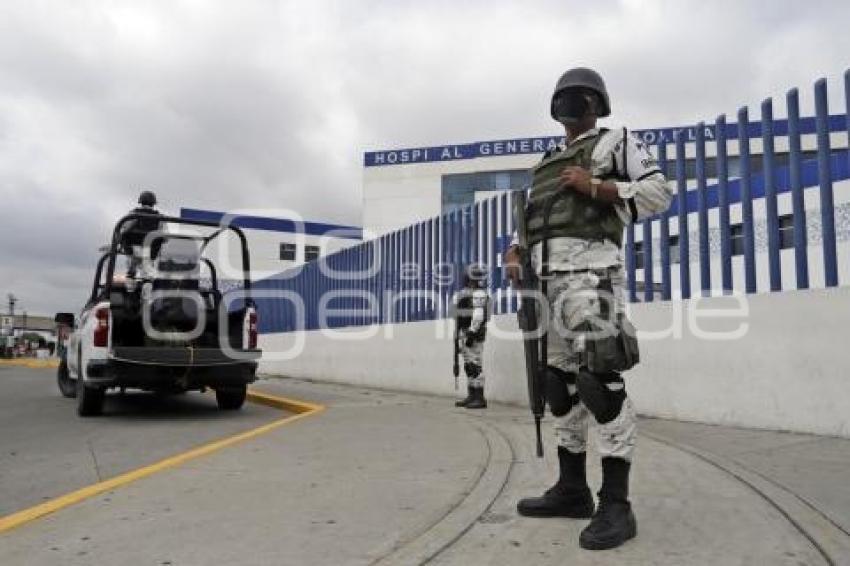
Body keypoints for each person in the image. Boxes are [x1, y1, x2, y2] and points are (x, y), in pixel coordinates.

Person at [504, 67, 672, 550]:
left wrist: (597, 188)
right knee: (559, 385)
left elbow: (659, 192)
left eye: (579, 99)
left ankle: (616, 504)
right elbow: (536, 224)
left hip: (591, 277)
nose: (569, 107)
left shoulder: (616, 142)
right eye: (562, 99)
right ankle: (572, 489)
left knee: (601, 381)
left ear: (596, 104)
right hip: (546, 283)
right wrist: (516, 252)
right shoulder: (547, 162)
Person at [453, 264, 490, 409]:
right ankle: (472, 395)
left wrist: (471, 332)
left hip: (472, 334)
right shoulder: (470, 293)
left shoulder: (479, 294)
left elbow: (478, 316)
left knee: (475, 365)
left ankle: (479, 398)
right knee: (469, 365)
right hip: (466, 332)